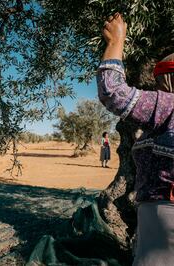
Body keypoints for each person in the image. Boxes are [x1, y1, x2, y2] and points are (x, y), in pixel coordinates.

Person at [98, 13, 174, 265]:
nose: (156, 85)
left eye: (160, 78)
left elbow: (113, 91)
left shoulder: (168, 104)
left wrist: (115, 42)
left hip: (165, 213)